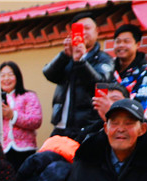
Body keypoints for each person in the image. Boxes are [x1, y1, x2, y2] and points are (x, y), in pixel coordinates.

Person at [43, 12, 114, 141]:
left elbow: (100, 83)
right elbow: (49, 74)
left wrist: (80, 61)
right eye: (79, 29)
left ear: (96, 32)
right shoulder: (67, 56)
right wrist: (64, 56)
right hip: (60, 127)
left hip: (87, 128)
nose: (83, 32)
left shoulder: (104, 59)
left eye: (87, 28)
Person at [0, 61, 43, 171]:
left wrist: (13, 115)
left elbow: (36, 120)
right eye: (2, 75)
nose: (6, 78)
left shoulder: (28, 96)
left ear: (18, 77)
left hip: (24, 150)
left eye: (10, 74)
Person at [112, 24, 147, 123]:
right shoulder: (109, 67)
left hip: (137, 124)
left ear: (138, 44)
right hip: (110, 122)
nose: (121, 45)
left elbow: (140, 103)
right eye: (118, 41)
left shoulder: (146, 71)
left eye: (126, 41)